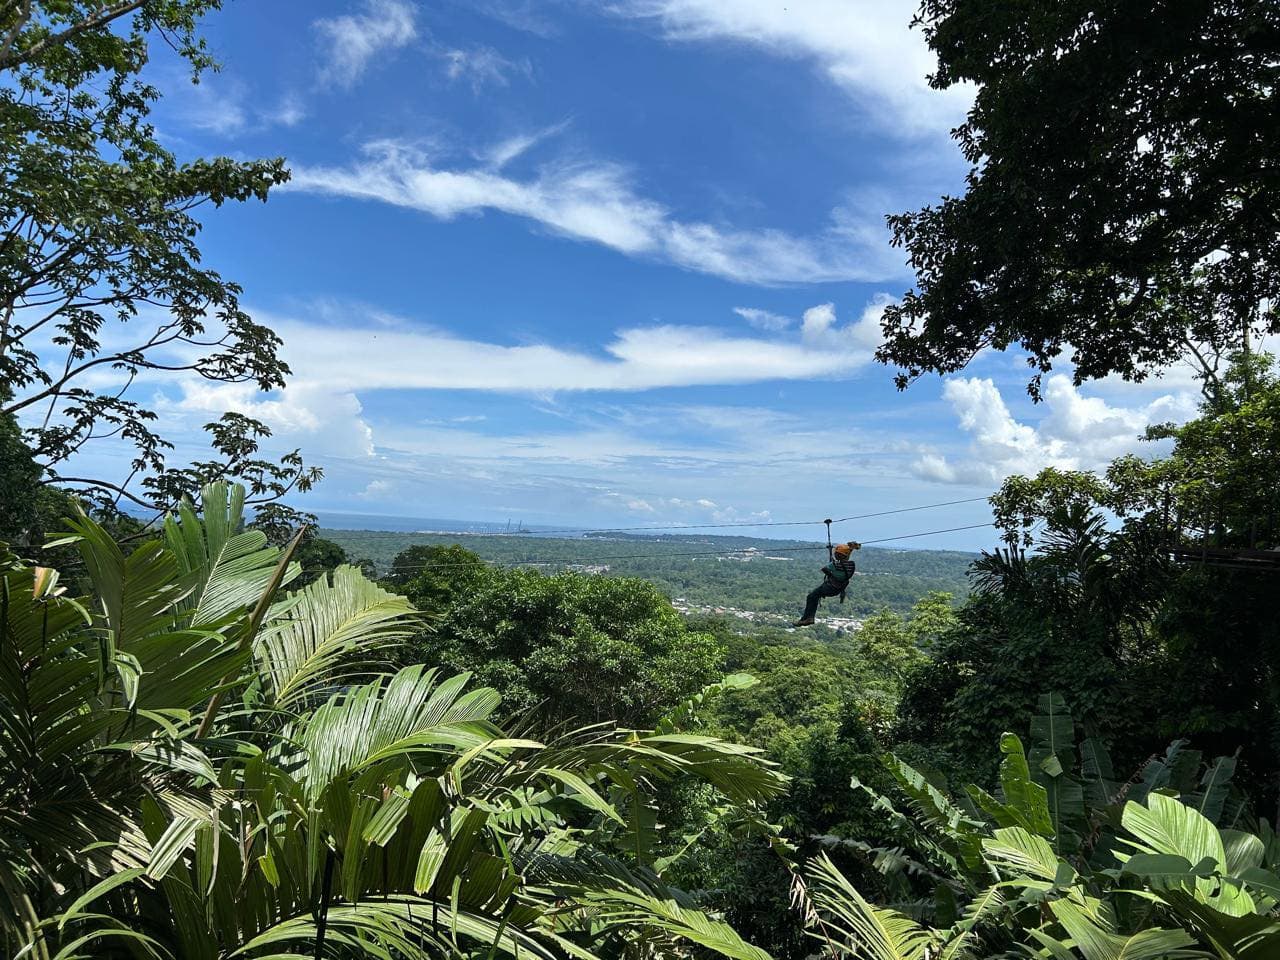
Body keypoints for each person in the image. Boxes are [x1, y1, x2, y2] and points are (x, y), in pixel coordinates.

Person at [793, 541, 859, 627]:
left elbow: (824, 569)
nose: (836, 555)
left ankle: (807, 618)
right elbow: (841, 565)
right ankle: (808, 618)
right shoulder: (851, 565)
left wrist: (831, 575)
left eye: (837, 554)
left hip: (829, 587)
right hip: (838, 589)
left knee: (811, 596)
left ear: (840, 555)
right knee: (815, 596)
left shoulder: (835, 564)